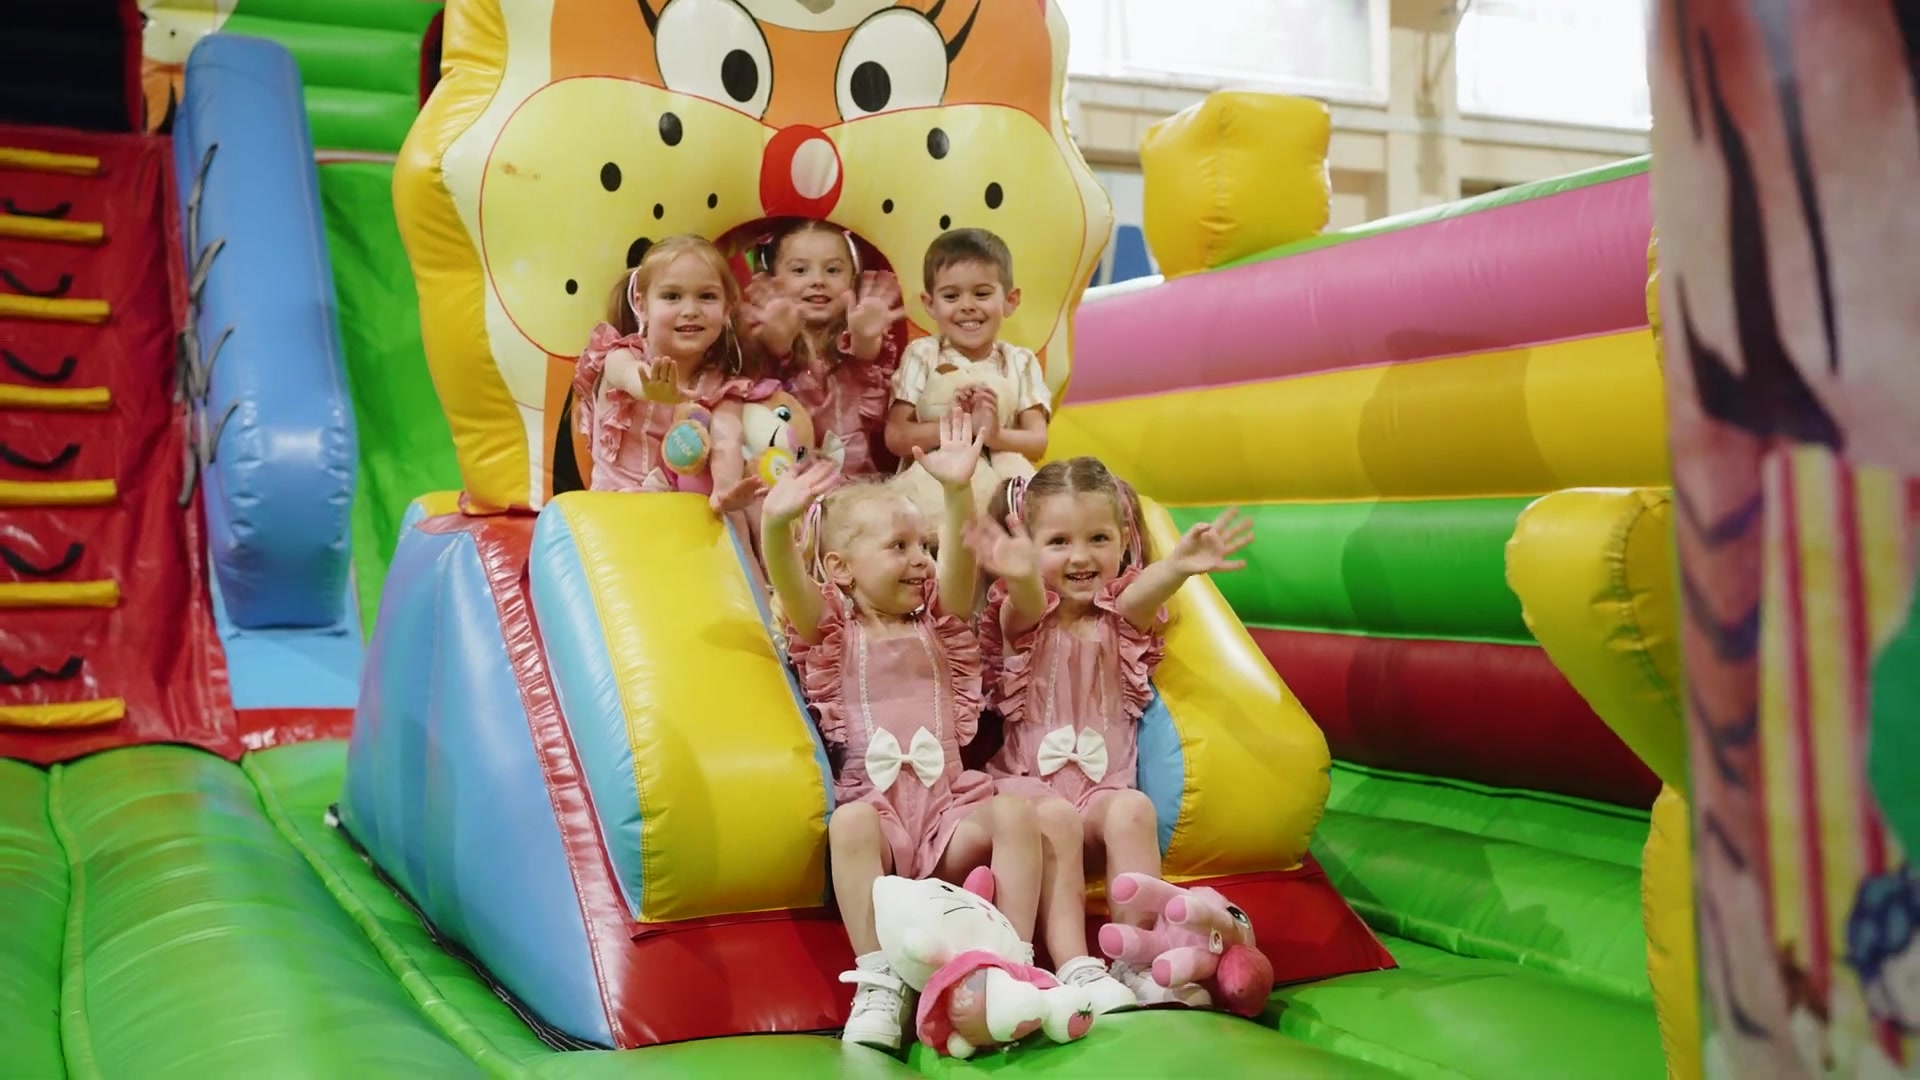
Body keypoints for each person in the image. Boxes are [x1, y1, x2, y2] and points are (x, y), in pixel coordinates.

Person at [760, 412, 1042, 1051]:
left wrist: (956, 490)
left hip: (946, 812)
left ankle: (1009, 965)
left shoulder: (939, 622)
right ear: (841, 568)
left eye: (925, 547)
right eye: (899, 548)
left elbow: (960, 569)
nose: (920, 561)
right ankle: (878, 981)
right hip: (881, 813)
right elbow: (790, 581)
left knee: (1014, 816)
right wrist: (776, 526)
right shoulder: (831, 632)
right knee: (850, 825)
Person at [962, 457, 1255, 1004]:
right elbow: (1026, 602)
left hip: (1101, 791)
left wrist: (1179, 567)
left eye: (1098, 538)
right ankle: (1075, 964)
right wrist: (1020, 572)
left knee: (1133, 809)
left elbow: (1143, 596)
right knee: (1054, 818)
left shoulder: (1122, 621)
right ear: (1030, 546)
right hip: (1030, 788)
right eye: (1058, 542)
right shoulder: (1022, 620)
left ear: (1123, 540)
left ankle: (1134, 957)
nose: (1080, 556)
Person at [572, 235, 769, 511]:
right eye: (672, 296)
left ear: (726, 309)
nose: (690, 310)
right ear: (642, 306)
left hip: (680, 516)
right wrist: (647, 388)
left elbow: (728, 437)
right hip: (614, 512)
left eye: (707, 296)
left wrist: (726, 489)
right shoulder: (623, 355)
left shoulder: (720, 383)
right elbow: (628, 375)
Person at [887, 228, 1051, 532]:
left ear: (1010, 300)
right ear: (930, 304)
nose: (967, 305)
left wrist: (993, 434)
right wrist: (961, 428)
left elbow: (1037, 442)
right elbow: (897, 436)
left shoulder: (1020, 361)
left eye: (982, 293)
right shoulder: (923, 355)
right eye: (951, 296)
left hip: (1005, 505)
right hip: (934, 498)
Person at [742, 218, 904, 481]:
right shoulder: (766, 341)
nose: (818, 280)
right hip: (785, 484)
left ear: (852, 280)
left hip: (855, 486)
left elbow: (866, 359)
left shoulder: (853, 342)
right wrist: (777, 339)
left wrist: (866, 335)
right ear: (774, 280)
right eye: (799, 270)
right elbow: (764, 371)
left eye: (832, 270)